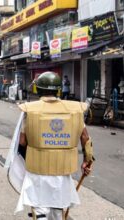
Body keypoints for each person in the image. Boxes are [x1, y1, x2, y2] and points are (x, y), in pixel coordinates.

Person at [15, 71, 94, 220]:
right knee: (58, 206)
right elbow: (85, 137)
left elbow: (22, 142)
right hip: (63, 168)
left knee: (39, 207)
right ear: (58, 89)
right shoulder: (75, 110)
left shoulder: (30, 110)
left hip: (37, 168)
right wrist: (87, 161)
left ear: (38, 89)